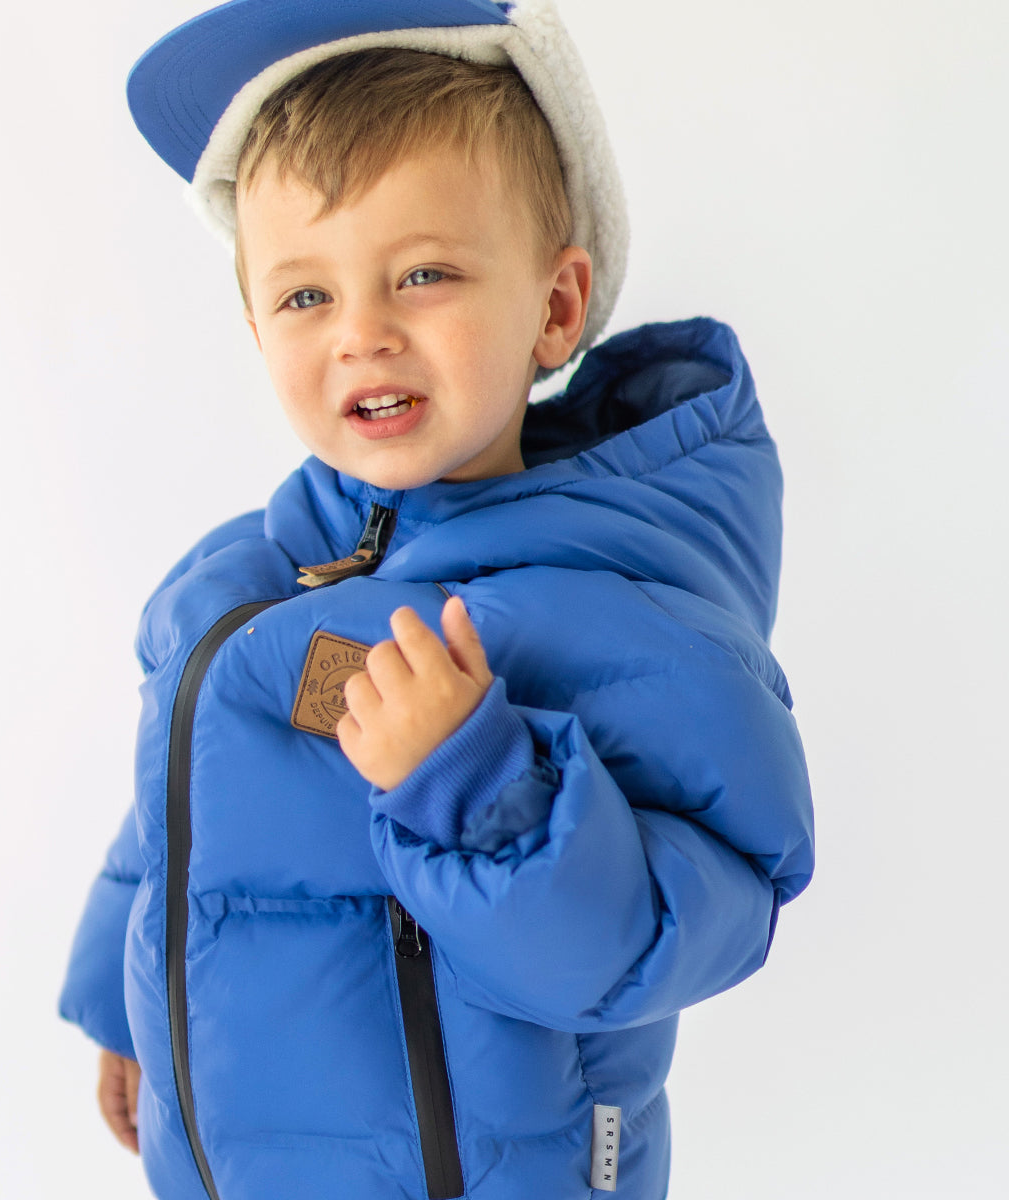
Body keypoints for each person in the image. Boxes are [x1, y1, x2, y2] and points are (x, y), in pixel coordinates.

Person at [59, 2, 815, 1197]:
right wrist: (121, 993)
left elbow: (671, 932)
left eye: (422, 274)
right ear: (254, 324)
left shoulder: (622, 612)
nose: (363, 333)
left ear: (556, 309)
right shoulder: (234, 587)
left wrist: (471, 777)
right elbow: (172, 797)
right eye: (306, 296)